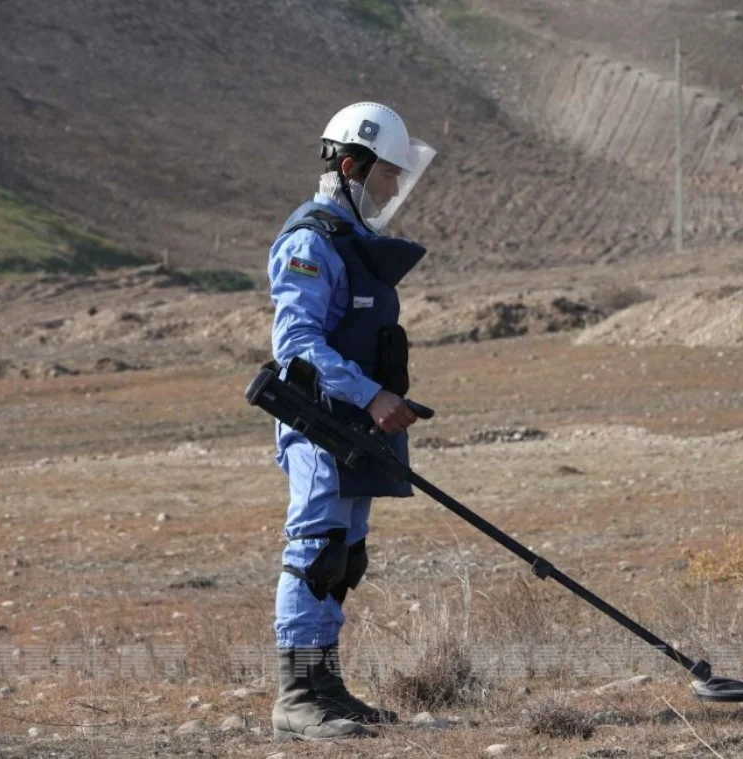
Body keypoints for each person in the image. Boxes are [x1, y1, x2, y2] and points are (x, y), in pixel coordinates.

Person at [266, 102, 434, 741]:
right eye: (387, 176)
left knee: (346, 555)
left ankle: (327, 686)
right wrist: (370, 396)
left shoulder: (353, 240)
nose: (393, 189)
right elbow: (298, 343)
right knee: (316, 549)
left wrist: (379, 401)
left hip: (356, 426)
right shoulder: (311, 240)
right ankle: (297, 695)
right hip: (320, 423)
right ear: (349, 166)